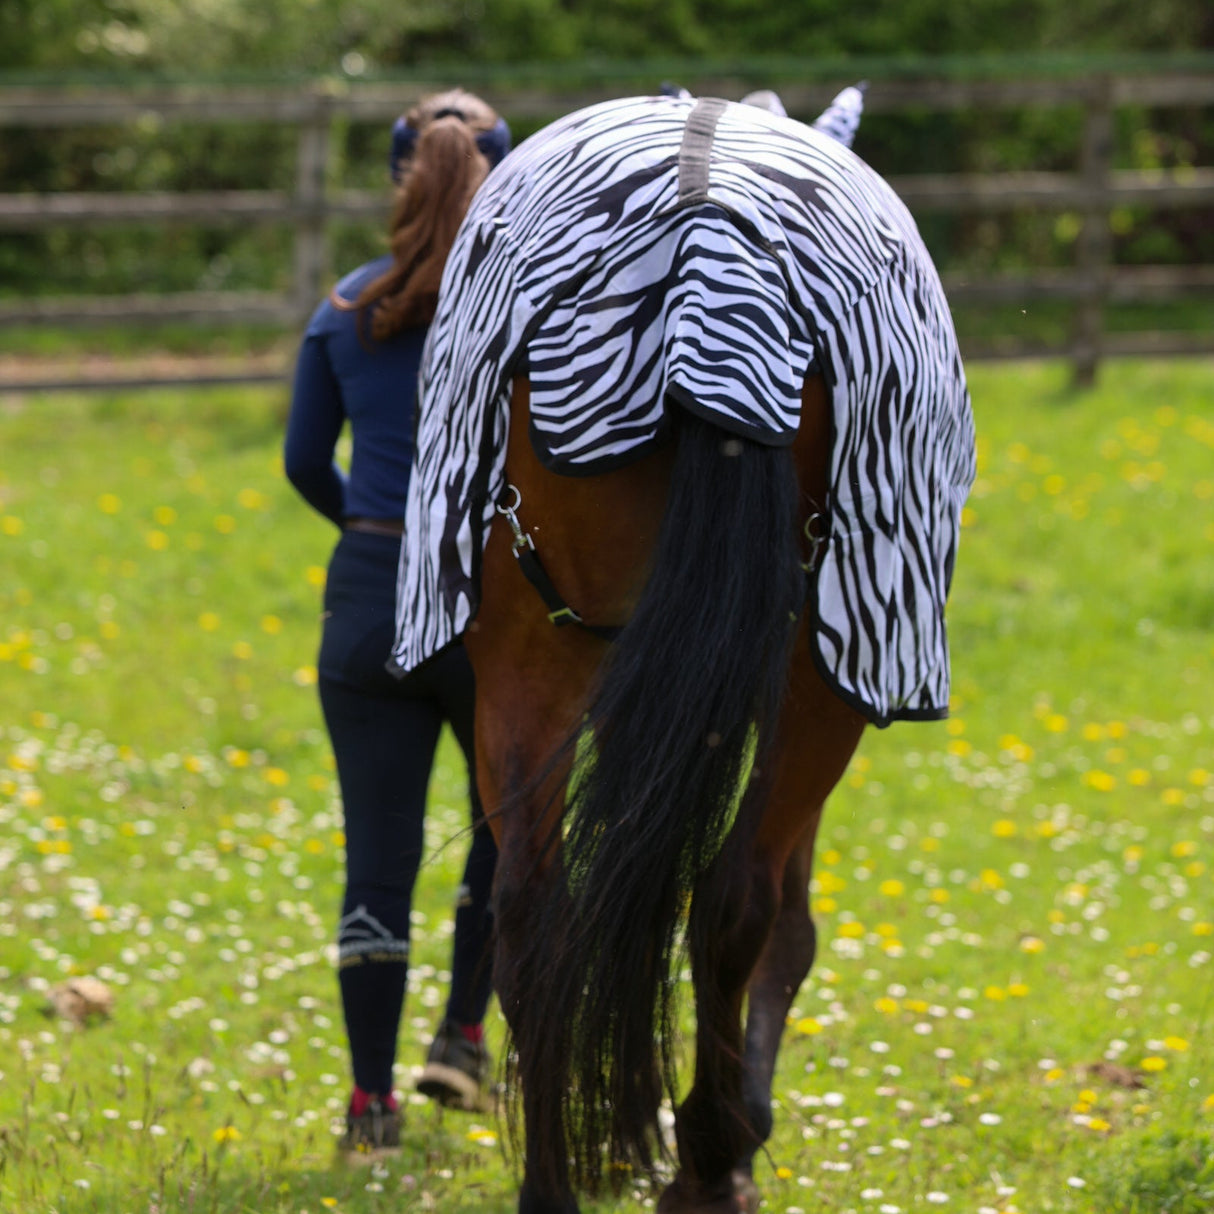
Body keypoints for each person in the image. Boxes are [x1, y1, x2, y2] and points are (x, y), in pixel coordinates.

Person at [284, 89, 511, 1153]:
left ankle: (369, 1106)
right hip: (488, 610)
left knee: (375, 861)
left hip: (366, 598)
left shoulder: (340, 307)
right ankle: (462, 1039)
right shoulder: (520, 312)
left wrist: (379, 529)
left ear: (395, 181)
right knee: (508, 834)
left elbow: (299, 463)